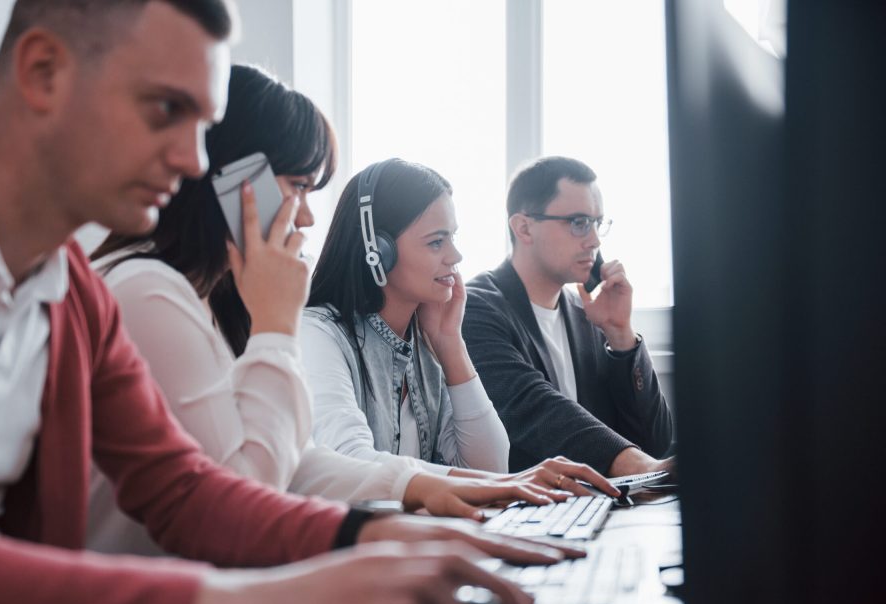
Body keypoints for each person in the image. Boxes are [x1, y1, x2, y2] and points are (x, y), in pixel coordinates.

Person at [0, 1, 570, 604]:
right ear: (43, 72)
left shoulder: (73, 288)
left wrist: (373, 533)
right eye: (166, 109)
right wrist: (255, 602)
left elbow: (183, 489)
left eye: (202, 127)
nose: (196, 163)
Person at [86, 66, 565, 556]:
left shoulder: (216, 302)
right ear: (231, 183)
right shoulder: (149, 292)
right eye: (297, 186)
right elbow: (248, 488)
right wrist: (276, 325)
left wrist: (426, 487)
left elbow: (295, 460)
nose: (308, 215)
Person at [301, 159, 618, 497]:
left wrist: (451, 345)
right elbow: (351, 460)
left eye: (452, 237)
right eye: (436, 242)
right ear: (378, 252)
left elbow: (490, 464)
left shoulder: (426, 341)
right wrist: (505, 484)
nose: (456, 256)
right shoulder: (318, 335)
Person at [463, 156, 675, 476]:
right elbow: (533, 408)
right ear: (523, 228)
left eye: (596, 222)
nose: (594, 240)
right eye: (578, 222)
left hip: (596, 507)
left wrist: (620, 334)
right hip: (521, 512)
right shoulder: (476, 308)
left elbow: (654, 441)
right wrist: (638, 464)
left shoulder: (587, 314)